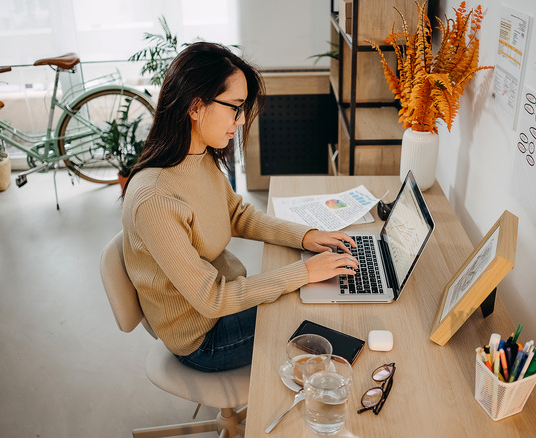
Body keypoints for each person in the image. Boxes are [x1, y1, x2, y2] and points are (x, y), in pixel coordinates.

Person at [121, 42, 358, 372]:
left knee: (321, 293)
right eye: (234, 107)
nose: (243, 119)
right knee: (323, 311)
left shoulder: (197, 156)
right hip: (205, 338)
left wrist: (306, 237)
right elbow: (211, 299)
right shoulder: (156, 200)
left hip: (225, 303)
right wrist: (304, 272)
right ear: (195, 106)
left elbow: (237, 215)